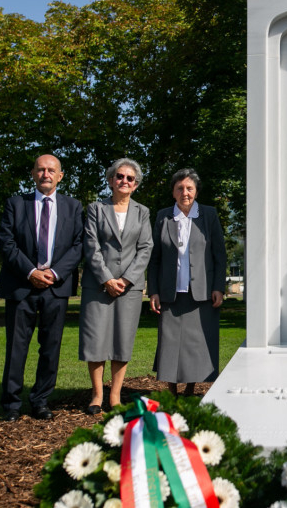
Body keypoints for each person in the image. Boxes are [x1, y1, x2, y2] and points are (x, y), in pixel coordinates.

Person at [0, 154, 84, 421]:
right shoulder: (15, 204)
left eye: (51, 170)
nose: (46, 174)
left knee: (50, 347)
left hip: (56, 288)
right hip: (21, 286)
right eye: (41, 169)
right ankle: (12, 404)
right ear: (33, 174)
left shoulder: (73, 207)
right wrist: (31, 272)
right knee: (16, 347)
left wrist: (54, 273)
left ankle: (41, 401)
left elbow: (79, 245)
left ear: (60, 176)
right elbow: (7, 243)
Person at [78, 158, 153, 415]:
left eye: (130, 178)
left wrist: (126, 279)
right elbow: (91, 245)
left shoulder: (142, 212)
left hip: (129, 288)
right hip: (98, 286)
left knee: (122, 341)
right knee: (95, 340)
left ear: (135, 184)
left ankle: (115, 395)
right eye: (119, 176)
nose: (124, 181)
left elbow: (145, 248)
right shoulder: (96, 209)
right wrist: (107, 279)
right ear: (111, 180)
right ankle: (97, 395)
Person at [147, 168, 226, 396]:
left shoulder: (209, 215)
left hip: (202, 293)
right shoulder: (163, 216)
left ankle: (191, 389)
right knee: (169, 345)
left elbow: (219, 255)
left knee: (196, 344)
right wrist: (153, 291)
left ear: (196, 191)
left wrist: (218, 287)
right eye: (180, 188)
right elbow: (155, 258)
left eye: (189, 188)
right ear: (173, 192)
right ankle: (172, 391)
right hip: (170, 293)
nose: (185, 193)